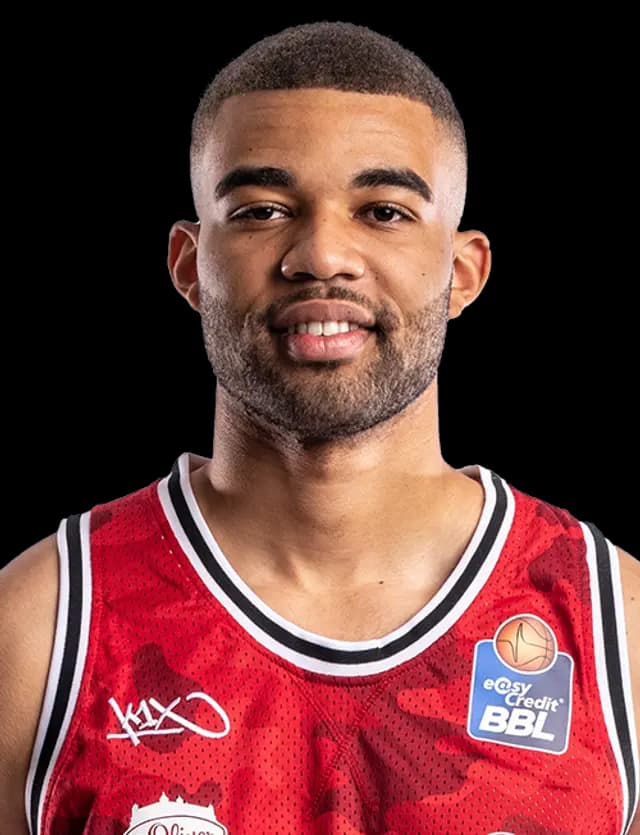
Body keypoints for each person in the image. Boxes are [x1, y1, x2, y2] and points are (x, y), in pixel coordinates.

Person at [1, 19, 638, 835]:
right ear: (190, 265)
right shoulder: (41, 626)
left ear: (462, 272)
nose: (322, 255)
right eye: (263, 210)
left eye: (384, 211)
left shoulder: (616, 627)